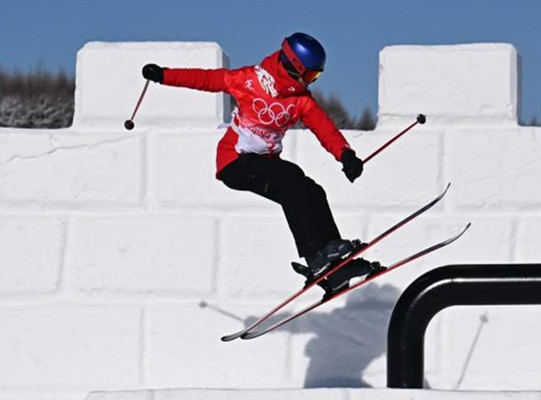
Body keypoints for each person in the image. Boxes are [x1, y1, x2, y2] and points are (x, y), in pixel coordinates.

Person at [142, 32, 382, 298]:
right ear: (295, 67)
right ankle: (317, 259)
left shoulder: (300, 100)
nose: (312, 82)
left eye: (317, 78)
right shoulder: (248, 80)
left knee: (313, 190)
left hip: (263, 163)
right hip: (235, 161)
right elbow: (205, 79)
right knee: (291, 179)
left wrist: (345, 155)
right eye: (311, 76)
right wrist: (164, 75)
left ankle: (335, 261)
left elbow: (325, 129)